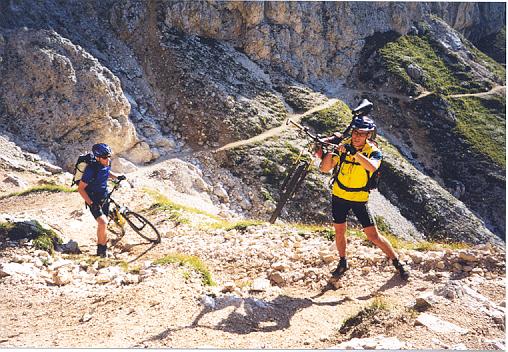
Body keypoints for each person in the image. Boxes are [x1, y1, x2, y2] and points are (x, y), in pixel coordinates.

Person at [318, 115, 410, 280]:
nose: (357, 136)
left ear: (368, 135)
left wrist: (354, 153)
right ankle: (342, 261)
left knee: (373, 235)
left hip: (359, 198)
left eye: (362, 133)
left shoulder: (374, 152)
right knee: (339, 232)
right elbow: (325, 169)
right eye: (355, 132)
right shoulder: (344, 146)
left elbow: (372, 167)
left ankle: (397, 262)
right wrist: (332, 150)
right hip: (339, 195)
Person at [77, 143, 126, 258]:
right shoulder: (90, 170)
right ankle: (102, 251)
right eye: (105, 157)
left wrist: (117, 177)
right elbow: (81, 189)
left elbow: (106, 172)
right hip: (93, 199)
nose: (108, 159)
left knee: (104, 223)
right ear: (98, 158)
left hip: (104, 195)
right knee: (103, 222)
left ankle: (102, 246)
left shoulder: (106, 163)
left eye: (109, 156)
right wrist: (91, 204)